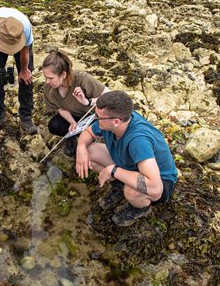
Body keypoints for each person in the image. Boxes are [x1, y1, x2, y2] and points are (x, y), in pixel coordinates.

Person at [75, 91, 178, 227]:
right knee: (89, 152)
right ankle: (119, 185)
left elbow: (155, 188)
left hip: (160, 180)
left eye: (98, 117)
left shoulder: (138, 141)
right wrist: (81, 148)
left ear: (116, 122)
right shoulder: (112, 120)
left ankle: (141, 207)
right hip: (130, 165)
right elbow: (88, 132)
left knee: (132, 192)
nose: (95, 119)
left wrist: (113, 171)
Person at [0, 7, 37, 135]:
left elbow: (25, 50)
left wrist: (24, 70)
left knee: (26, 78)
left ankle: (26, 117)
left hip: (19, 41)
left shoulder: (24, 27)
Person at [42, 50, 109, 156]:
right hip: (73, 116)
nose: (47, 82)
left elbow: (109, 95)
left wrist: (87, 102)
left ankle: (87, 139)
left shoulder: (82, 79)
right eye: (45, 77)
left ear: (63, 74)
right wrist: (72, 122)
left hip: (91, 116)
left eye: (50, 78)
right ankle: (71, 137)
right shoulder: (48, 88)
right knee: (54, 126)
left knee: (92, 134)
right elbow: (59, 108)